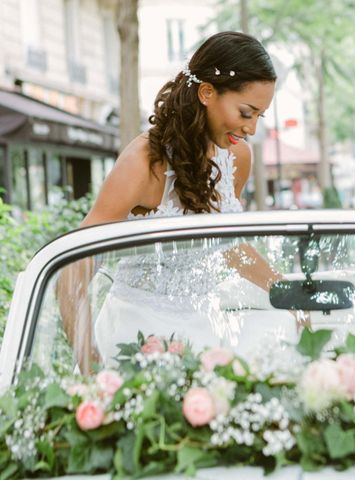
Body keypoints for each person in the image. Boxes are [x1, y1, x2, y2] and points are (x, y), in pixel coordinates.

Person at [56, 32, 304, 370]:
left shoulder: (238, 157)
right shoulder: (144, 161)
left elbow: (229, 245)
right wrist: (88, 361)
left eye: (259, 116)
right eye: (246, 112)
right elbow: (74, 266)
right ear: (206, 93)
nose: (252, 129)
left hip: (207, 329)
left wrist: (288, 294)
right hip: (137, 334)